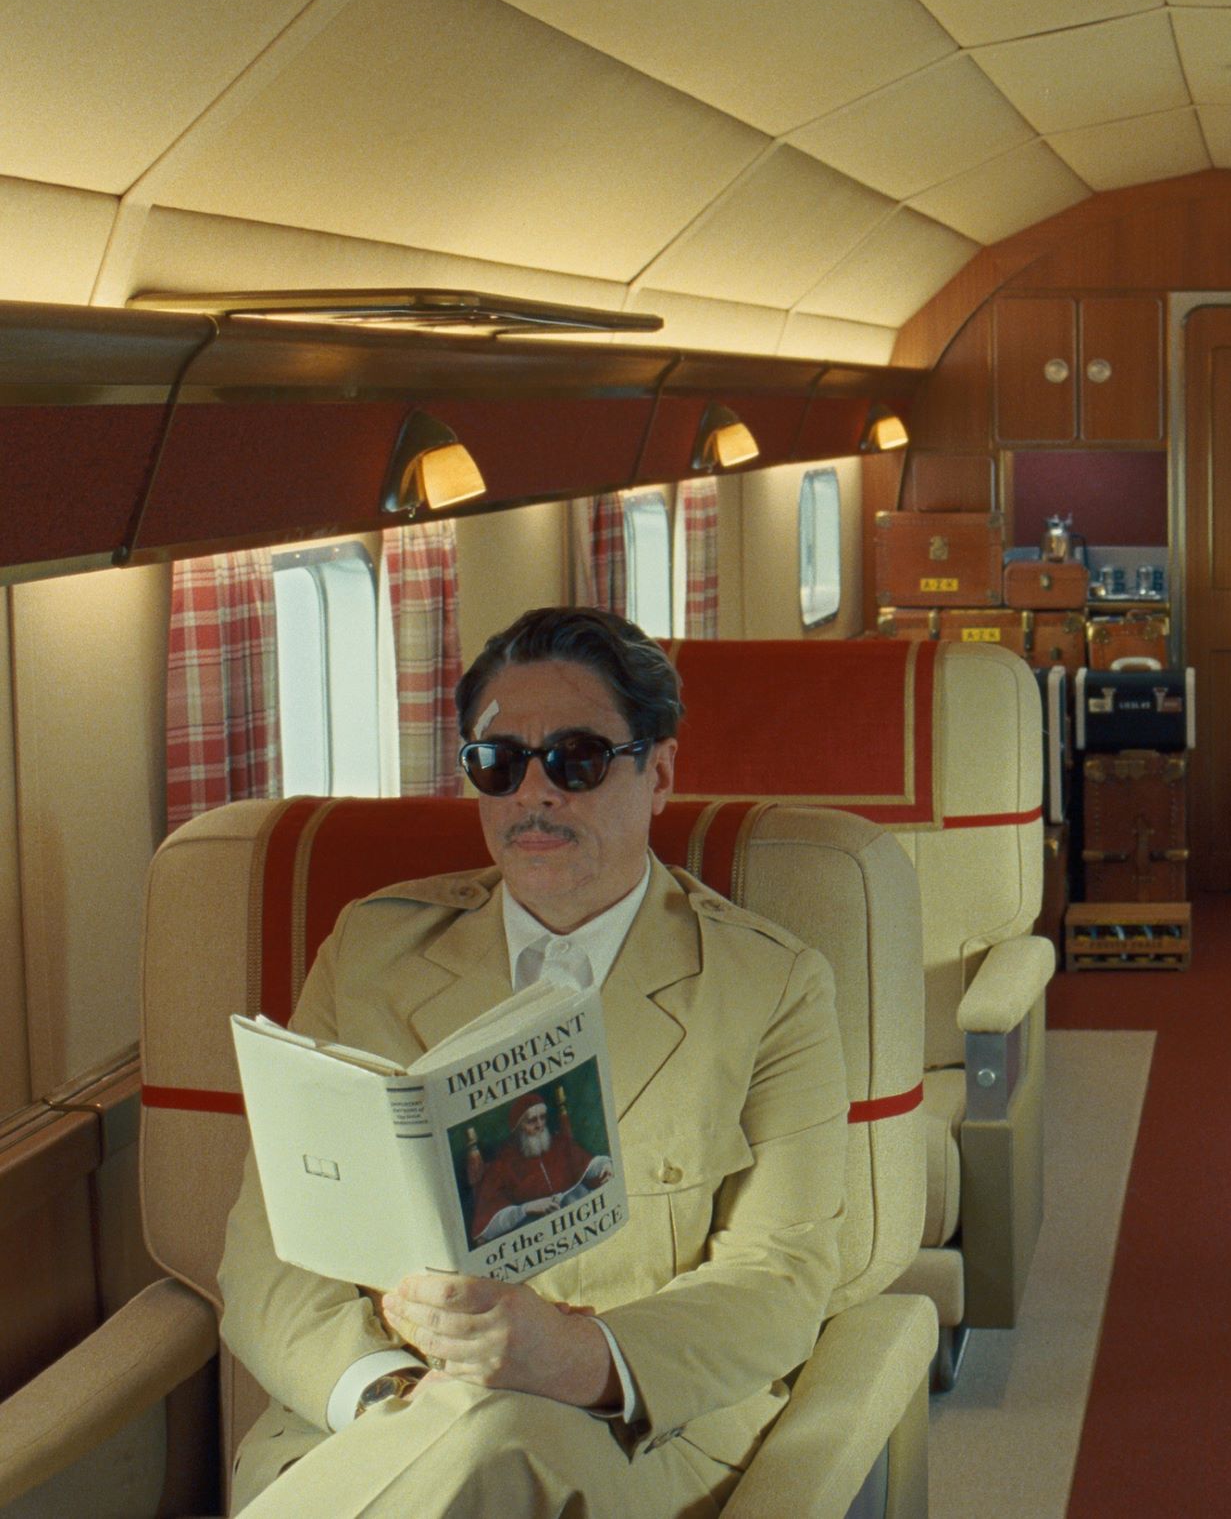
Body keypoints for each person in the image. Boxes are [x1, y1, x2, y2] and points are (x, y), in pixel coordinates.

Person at [217, 607, 848, 1517]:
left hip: (627, 1432)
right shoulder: (368, 954)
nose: (534, 793)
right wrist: (386, 1389)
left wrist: (575, 1359)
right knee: (468, 1441)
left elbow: (783, 1274)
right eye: (499, 762)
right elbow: (270, 1244)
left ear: (660, 772)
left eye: (576, 759)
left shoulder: (769, 986)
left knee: (499, 1442)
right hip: (369, 1422)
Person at [465, 1092, 610, 1244]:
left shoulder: (559, 1143)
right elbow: (488, 1225)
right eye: (532, 1121)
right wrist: (526, 1208)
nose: (540, 1125)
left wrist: (604, 1166)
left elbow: (588, 1163)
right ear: (518, 1127)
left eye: (542, 1117)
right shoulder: (502, 1164)